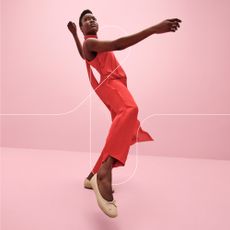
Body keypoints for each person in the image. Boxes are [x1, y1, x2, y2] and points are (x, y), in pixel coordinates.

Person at [67, 9, 181, 218]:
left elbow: (82, 55)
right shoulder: (90, 42)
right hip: (111, 84)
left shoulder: (89, 45)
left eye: (93, 18)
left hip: (117, 83)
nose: (91, 20)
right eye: (86, 20)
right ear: (84, 28)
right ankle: (103, 173)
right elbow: (119, 44)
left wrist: (74, 35)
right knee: (131, 110)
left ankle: (92, 175)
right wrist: (154, 29)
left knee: (121, 129)